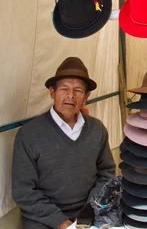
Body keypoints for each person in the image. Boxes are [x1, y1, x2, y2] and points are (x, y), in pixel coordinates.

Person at [12, 57, 116, 229]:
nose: (70, 95)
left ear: (87, 96)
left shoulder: (97, 129)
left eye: (78, 90)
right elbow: (24, 192)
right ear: (52, 92)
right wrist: (61, 223)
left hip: (89, 213)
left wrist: (88, 213)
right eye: (64, 89)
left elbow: (106, 174)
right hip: (44, 219)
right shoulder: (28, 134)